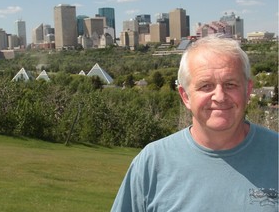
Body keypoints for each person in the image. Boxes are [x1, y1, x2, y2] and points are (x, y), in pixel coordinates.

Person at [111, 34, 278, 212]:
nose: (220, 97)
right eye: (206, 86)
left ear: (248, 90)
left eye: (230, 84)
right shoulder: (151, 163)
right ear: (185, 96)